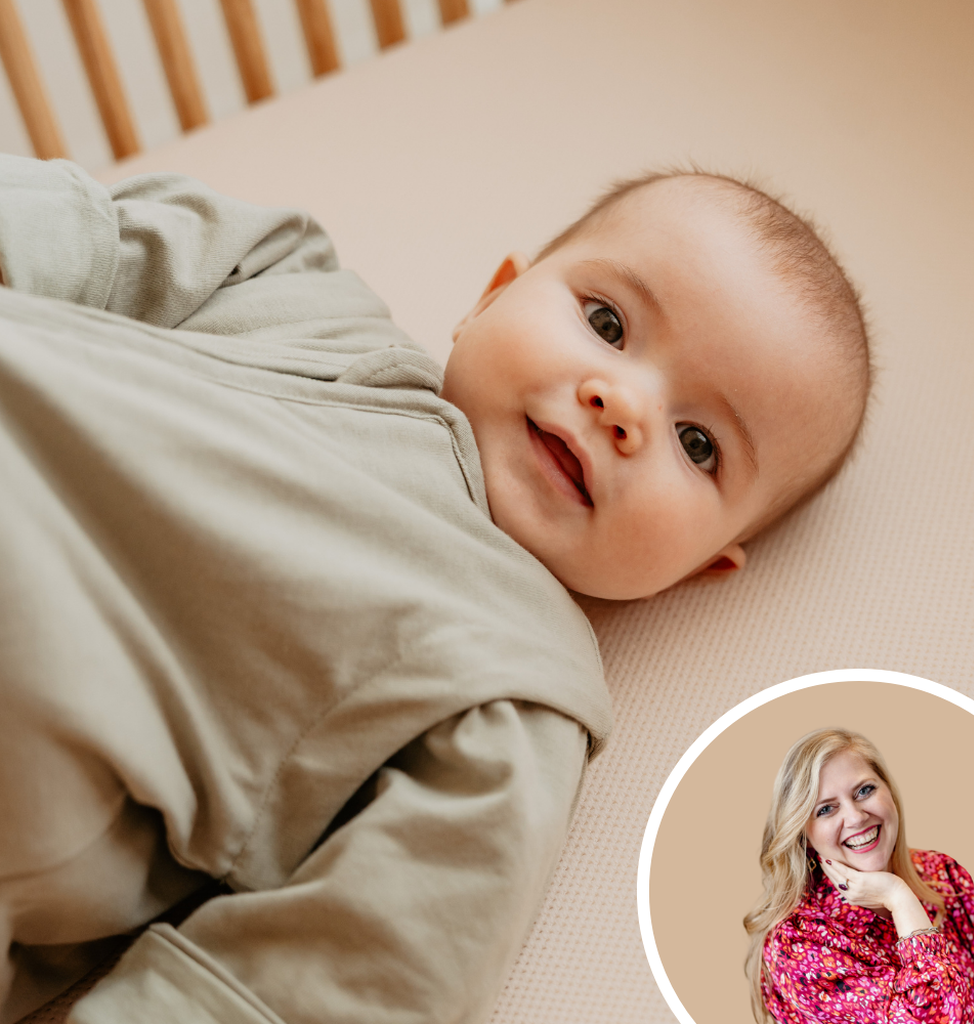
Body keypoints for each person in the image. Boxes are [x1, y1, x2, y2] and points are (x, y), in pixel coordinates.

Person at [0, 155, 870, 1024]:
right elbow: (77, 233)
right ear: (492, 296)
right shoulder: (287, 278)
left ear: (700, 565)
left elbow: (345, 972)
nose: (621, 406)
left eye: (698, 443)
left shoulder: (514, 693)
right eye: (606, 321)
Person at [745, 728, 974, 1024]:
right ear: (804, 836)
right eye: (826, 809)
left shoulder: (942, 874)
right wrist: (899, 898)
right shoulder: (797, 942)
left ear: (889, 791)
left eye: (864, 791)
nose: (855, 817)